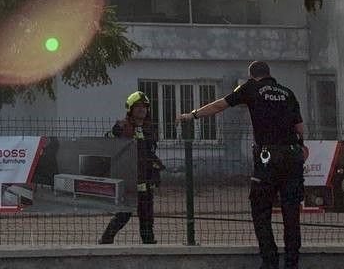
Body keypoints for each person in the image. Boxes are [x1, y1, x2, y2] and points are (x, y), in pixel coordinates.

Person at [181, 61, 304, 269]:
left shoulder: (251, 87)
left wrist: (192, 115)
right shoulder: (287, 92)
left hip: (267, 159)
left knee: (260, 209)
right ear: (269, 73)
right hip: (291, 157)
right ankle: (292, 263)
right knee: (291, 212)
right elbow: (300, 128)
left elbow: (220, 105)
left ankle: (270, 261)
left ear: (251, 75)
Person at [99, 90, 163, 244]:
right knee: (124, 213)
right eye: (138, 106)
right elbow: (107, 140)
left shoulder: (149, 128)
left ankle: (149, 242)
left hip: (145, 179)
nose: (142, 109)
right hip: (129, 178)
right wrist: (114, 132)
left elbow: (149, 153)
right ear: (130, 109)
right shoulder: (123, 126)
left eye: (144, 106)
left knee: (147, 213)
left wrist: (156, 169)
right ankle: (106, 239)